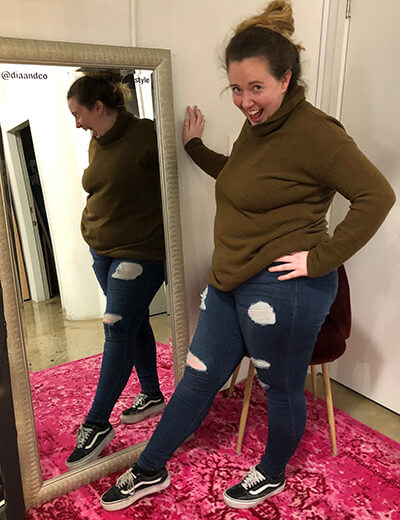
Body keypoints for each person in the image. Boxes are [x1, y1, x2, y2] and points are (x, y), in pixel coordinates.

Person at [99, 0, 396, 512]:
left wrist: (320, 260)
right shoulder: (257, 127)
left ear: (286, 79)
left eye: (255, 88)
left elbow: (377, 195)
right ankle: (149, 468)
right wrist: (195, 148)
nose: (244, 102)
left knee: (279, 387)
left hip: (286, 287)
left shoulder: (317, 133)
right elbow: (243, 178)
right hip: (230, 278)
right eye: (236, 89)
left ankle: (272, 473)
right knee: (199, 374)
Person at [65, 71, 167, 469]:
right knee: (133, 323)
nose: (77, 123)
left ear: (98, 107)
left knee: (117, 329)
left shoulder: (146, 134)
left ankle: (96, 424)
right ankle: (152, 394)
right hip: (102, 250)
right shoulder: (97, 140)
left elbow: (175, 184)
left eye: (78, 114)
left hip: (139, 252)